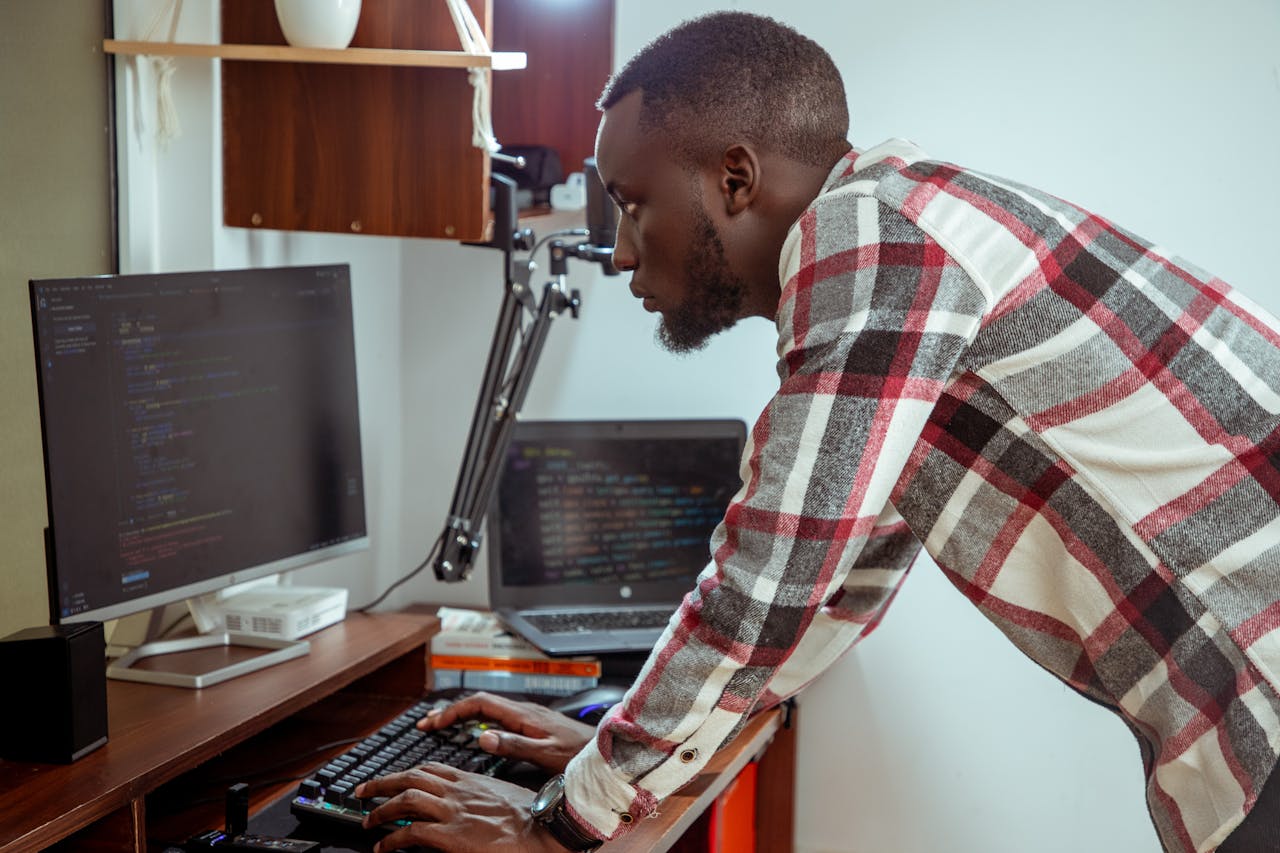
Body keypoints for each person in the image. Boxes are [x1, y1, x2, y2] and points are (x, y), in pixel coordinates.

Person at [356, 11, 1280, 853]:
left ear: (734, 177)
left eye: (632, 201)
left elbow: (766, 582)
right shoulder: (899, 236)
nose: (623, 248)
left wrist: (556, 824)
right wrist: (621, 755)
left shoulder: (871, 237)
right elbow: (834, 582)